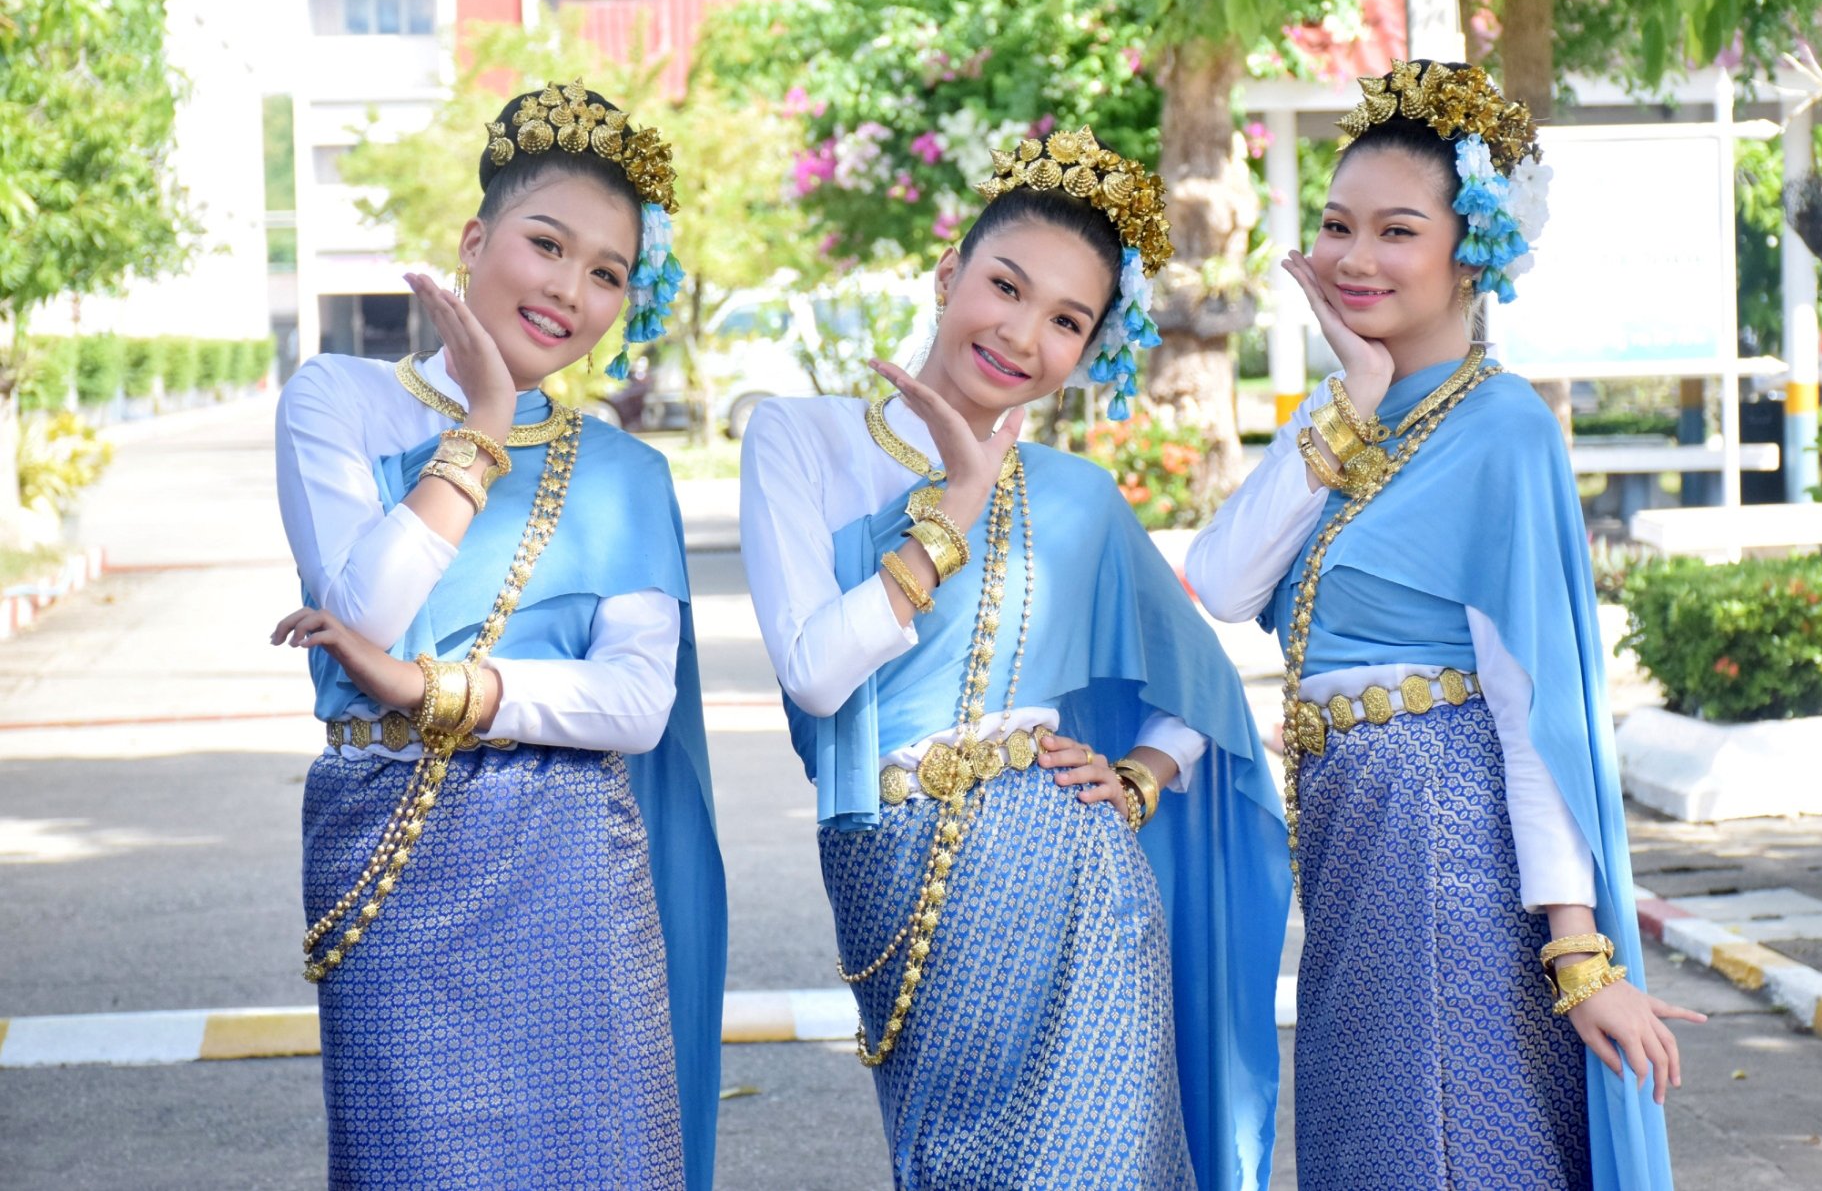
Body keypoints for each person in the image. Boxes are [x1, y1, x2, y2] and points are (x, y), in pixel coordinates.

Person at [1185, 61, 1705, 1191]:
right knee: (1372, 1145)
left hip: (1446, 847)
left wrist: (1577, 952)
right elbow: (1220, 583)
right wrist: (1349, 393)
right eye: (1333, 225)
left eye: (1394, 230)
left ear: (1472, 248)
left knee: (1444, 1147)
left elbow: (1534, 714)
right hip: (1354, 845)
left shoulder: (1504, 430)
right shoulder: (1344, 420)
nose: (1352, 257)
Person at [740, 127, 1292, 1190]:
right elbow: (814, 672)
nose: (1022, 333)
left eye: (1066, 320)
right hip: (894, 868)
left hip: (1083, 885)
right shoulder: (798, 438)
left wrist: (1139, 777)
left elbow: (1204, 687)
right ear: (949, 272)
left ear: (1087, 350)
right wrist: (952, 508)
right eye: (1005, 285)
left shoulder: (1077, 499)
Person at [271, 79, 724, 1188]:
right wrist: (481, 426)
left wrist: (440, 692)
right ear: (477, 238)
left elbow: (633, 702)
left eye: (607, 273)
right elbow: (363, 610)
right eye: (547, 244)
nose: (570, 290)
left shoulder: (625, 472)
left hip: (569, 860)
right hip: (391, 853)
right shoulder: (338, 400)